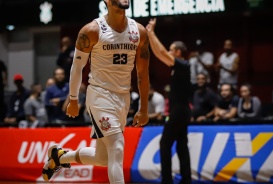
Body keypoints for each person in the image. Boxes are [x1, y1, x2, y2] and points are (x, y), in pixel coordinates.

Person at [42, 0, 150, 183]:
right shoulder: (91, 30)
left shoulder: (139, 31)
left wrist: (144, 108)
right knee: (117, 147)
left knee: (103, 158)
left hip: (123, 97)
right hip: (100, 95)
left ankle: (59, 157)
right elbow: (77, 67)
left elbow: (142, 72)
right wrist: (74, 99)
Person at [146, 18, 192, 184]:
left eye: (172, 50)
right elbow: (159, 54)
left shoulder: (183, 65)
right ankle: (186, 179)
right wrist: (149, 35)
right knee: (181, 146)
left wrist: (151, 32)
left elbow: (162, 53)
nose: (169, 52)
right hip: (182, 111)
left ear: (178, 52)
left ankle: (167, 180)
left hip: (179, 111)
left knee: (165, 144)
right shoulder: (178, 66)